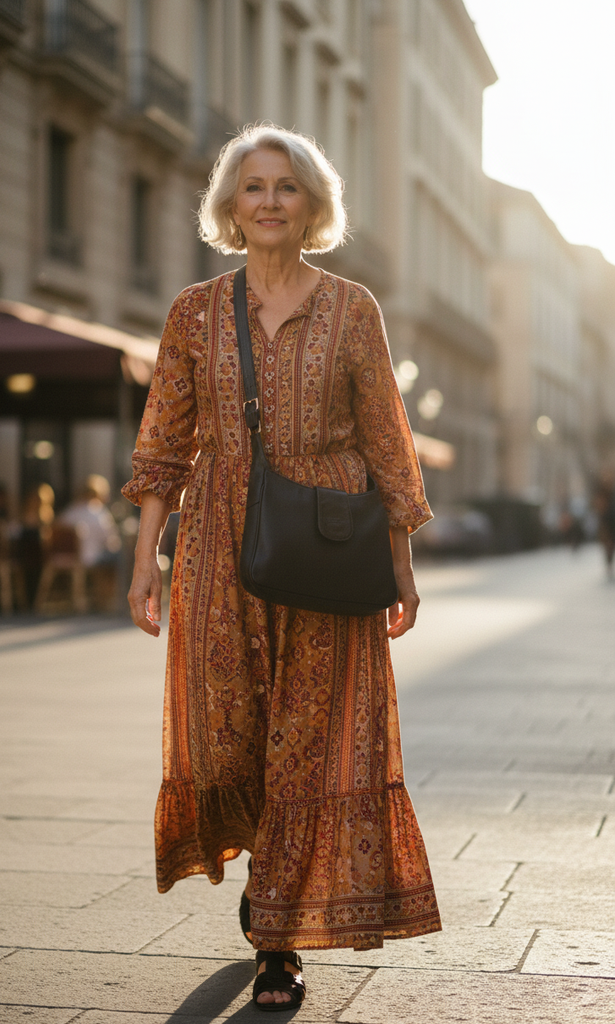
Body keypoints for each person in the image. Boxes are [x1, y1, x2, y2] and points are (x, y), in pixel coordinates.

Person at [123, 125, 441, 1010]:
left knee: (312, 738)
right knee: (231, 730)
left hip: (333, 550)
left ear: (313, 206)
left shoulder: (354, 309)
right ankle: (268, 887)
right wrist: (145, 559)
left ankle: (278, 937)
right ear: (230, 206)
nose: (269, 201)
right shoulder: (194, 312)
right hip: (220, 543)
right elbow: (164, 442)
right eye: (253, 186)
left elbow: (387, 440)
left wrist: (401, 565)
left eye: (287, 187)